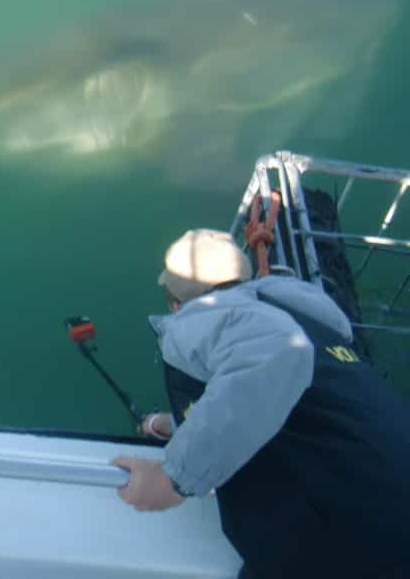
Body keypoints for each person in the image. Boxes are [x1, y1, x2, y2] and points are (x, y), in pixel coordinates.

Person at [111, 228, 410, 579]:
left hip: (351, 539)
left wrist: (171, 478)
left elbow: (276, 352)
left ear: (176, 302)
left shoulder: (201, 318)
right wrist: (175, 424)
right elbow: (285, 404)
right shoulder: (301, 315)